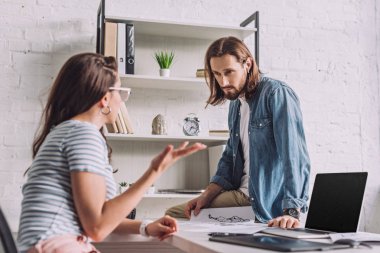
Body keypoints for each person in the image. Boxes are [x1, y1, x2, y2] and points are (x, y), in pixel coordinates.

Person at [17, 52, 206, 253]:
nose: (123, 101)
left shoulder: (67, 131)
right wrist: (154, 171)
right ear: (105, 98)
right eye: (121, 92)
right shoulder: (82, 134)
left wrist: (145, 227)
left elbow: (97, 218)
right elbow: (97, 227)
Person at [166, 37, 310, 229]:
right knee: (180, 217)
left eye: (229, 72)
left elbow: (295, 156)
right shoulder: (236, 104)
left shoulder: (276, 94)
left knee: (173, 216)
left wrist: (292, 212)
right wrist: (206, 196)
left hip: (258, 200)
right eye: (217, 74)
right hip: (242, 194)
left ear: (247, 64)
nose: (223, 82)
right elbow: (229, 158)